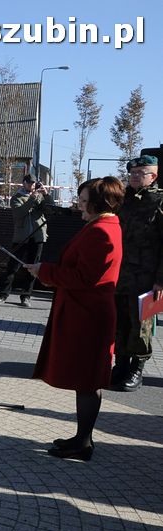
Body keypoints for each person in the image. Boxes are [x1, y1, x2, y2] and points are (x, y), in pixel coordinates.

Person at [25, 177, 124, 461]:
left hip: (88, 315)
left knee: (87, 379)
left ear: (98, 203)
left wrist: (45, 271)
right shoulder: (102, 226)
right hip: (87, 311)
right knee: (86, 379)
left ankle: (83, 442)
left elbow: (85, 278)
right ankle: (82, 438)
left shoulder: (101, 232)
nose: (78, 206)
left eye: (83, 201)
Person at [110, 155, 162, 392]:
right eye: (132, 173)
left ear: (154, 176)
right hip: (120, 274)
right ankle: (119, 365)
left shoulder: (159, 202)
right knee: (119, 321)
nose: (134, 176)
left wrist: (161, 281)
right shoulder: (122, 201)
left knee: (141, 324)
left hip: (148, 277)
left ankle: (136, 369)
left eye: (140, 173)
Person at [0, 174, 54, 307]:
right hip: (21, 237)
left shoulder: (39, 196)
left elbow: (50, 209)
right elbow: (19, 213)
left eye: (35, 183)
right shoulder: (16, 197)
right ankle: (2, 295)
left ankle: (26, 296)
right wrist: (31, 200)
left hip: (38, 236)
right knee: (12, 267)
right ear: (24, 183)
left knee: (33, 268)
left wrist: (46, 195)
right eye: (30, 183)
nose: (33, 185)